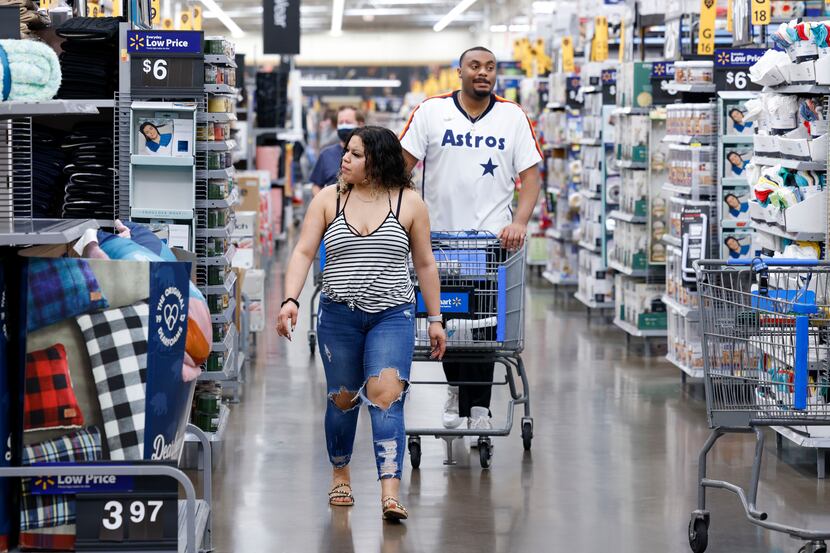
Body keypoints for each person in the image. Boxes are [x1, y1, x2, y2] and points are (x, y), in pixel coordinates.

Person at [276, 126, 446, 521]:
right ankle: (341, 474)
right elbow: (303, 251)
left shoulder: (410, 203)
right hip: (339, 316)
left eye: (354, 154)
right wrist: (290, 300)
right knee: (343, 399)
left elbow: (424, 264)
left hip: (392, 316)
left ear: (377, 162)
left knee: (387, 396)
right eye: (346, 152)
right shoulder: (328, 199)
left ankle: (390, 491)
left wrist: (435, 319)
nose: (344, 159)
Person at [399, 46, 542, 437]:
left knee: (485, 328)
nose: (483, 73)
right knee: (449, 323)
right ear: (459, 71)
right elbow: (400, 167)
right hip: (440, 244)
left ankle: (478, 406)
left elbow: (530, 180)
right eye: (475, 66)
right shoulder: (431, 112)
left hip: (492, 245)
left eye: (490, 68)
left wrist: (520, 221)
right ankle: (457, 388)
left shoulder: (513, 117)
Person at [310, 106, 366, 196]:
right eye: (340, 122)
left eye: (348, 122)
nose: (344, 125)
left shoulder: (370, 153)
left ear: (360, 124)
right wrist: (322, 204)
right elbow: (316, 185)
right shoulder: (326, 155)